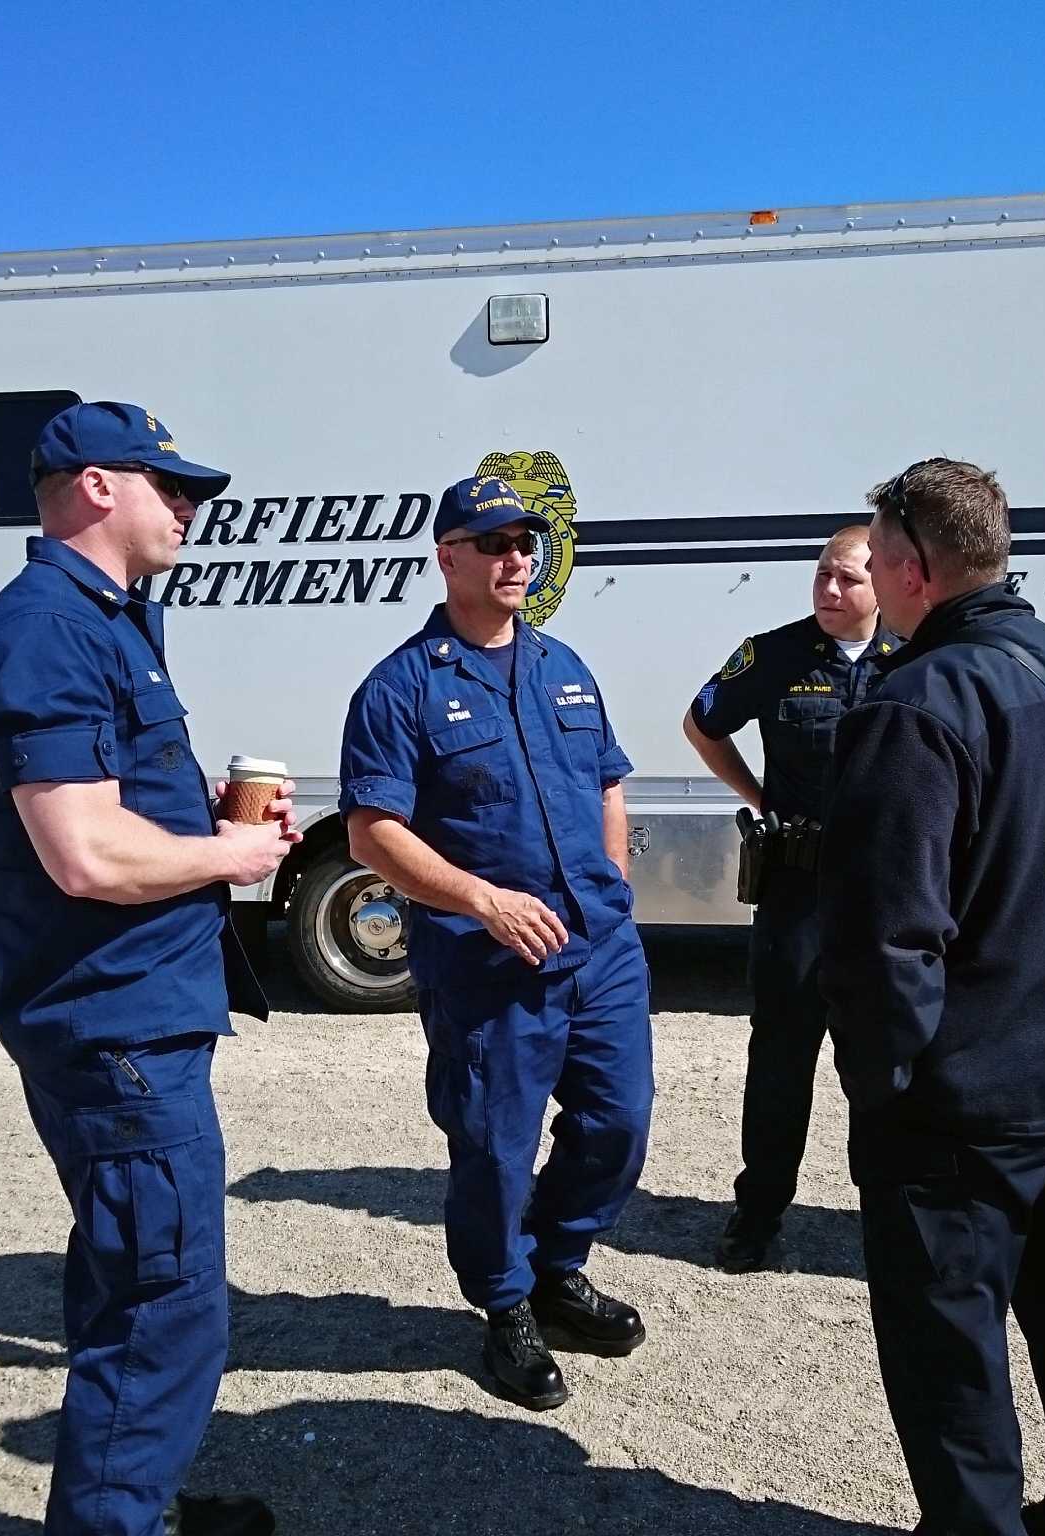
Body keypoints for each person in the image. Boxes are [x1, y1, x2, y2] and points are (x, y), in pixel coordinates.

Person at [0, 401, 298, 1536]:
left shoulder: (105, 617)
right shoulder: (50, 624)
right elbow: (84, 853)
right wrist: (233, 853)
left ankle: (131, 1503)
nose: (191, 507)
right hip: (117, 1030)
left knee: (134, 1282)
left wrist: (188, 807)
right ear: (98, 486)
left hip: (132, 1016)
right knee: (161, 1305)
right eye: (171, 485)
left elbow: (104, 803)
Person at [819, 458, 1045, 1536]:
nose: (870, 576)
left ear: (915, 570)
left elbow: (887, 933)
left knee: (951, 1367)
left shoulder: (916, 703)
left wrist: (886, 1088)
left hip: (962, 1108)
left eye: (877, 558)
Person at [339, 475, 652, 1412]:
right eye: (496, 541)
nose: (519, 556)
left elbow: (605, 781)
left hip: (597, 948)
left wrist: (615, 886)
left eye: (528, 541)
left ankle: (559, 1270)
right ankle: (506, 1303)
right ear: (447, 556)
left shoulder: (565, 665)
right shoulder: (402, 686)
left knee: (618, 1121)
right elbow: (372, 833)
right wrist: (482, 902)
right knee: (493, 1147)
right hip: (489, 961)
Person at [681, 525, 897, 1272]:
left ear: (887, 582)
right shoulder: (775, 654)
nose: (831, 592)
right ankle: (759, 1210)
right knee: (780, 1061)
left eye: (849, 580)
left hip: (888, 901)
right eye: (823, 576)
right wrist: (759, 795)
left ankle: (889, 1213)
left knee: (885, 1063)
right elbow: (701, 723)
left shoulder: (920, 655)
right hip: (798, 895)